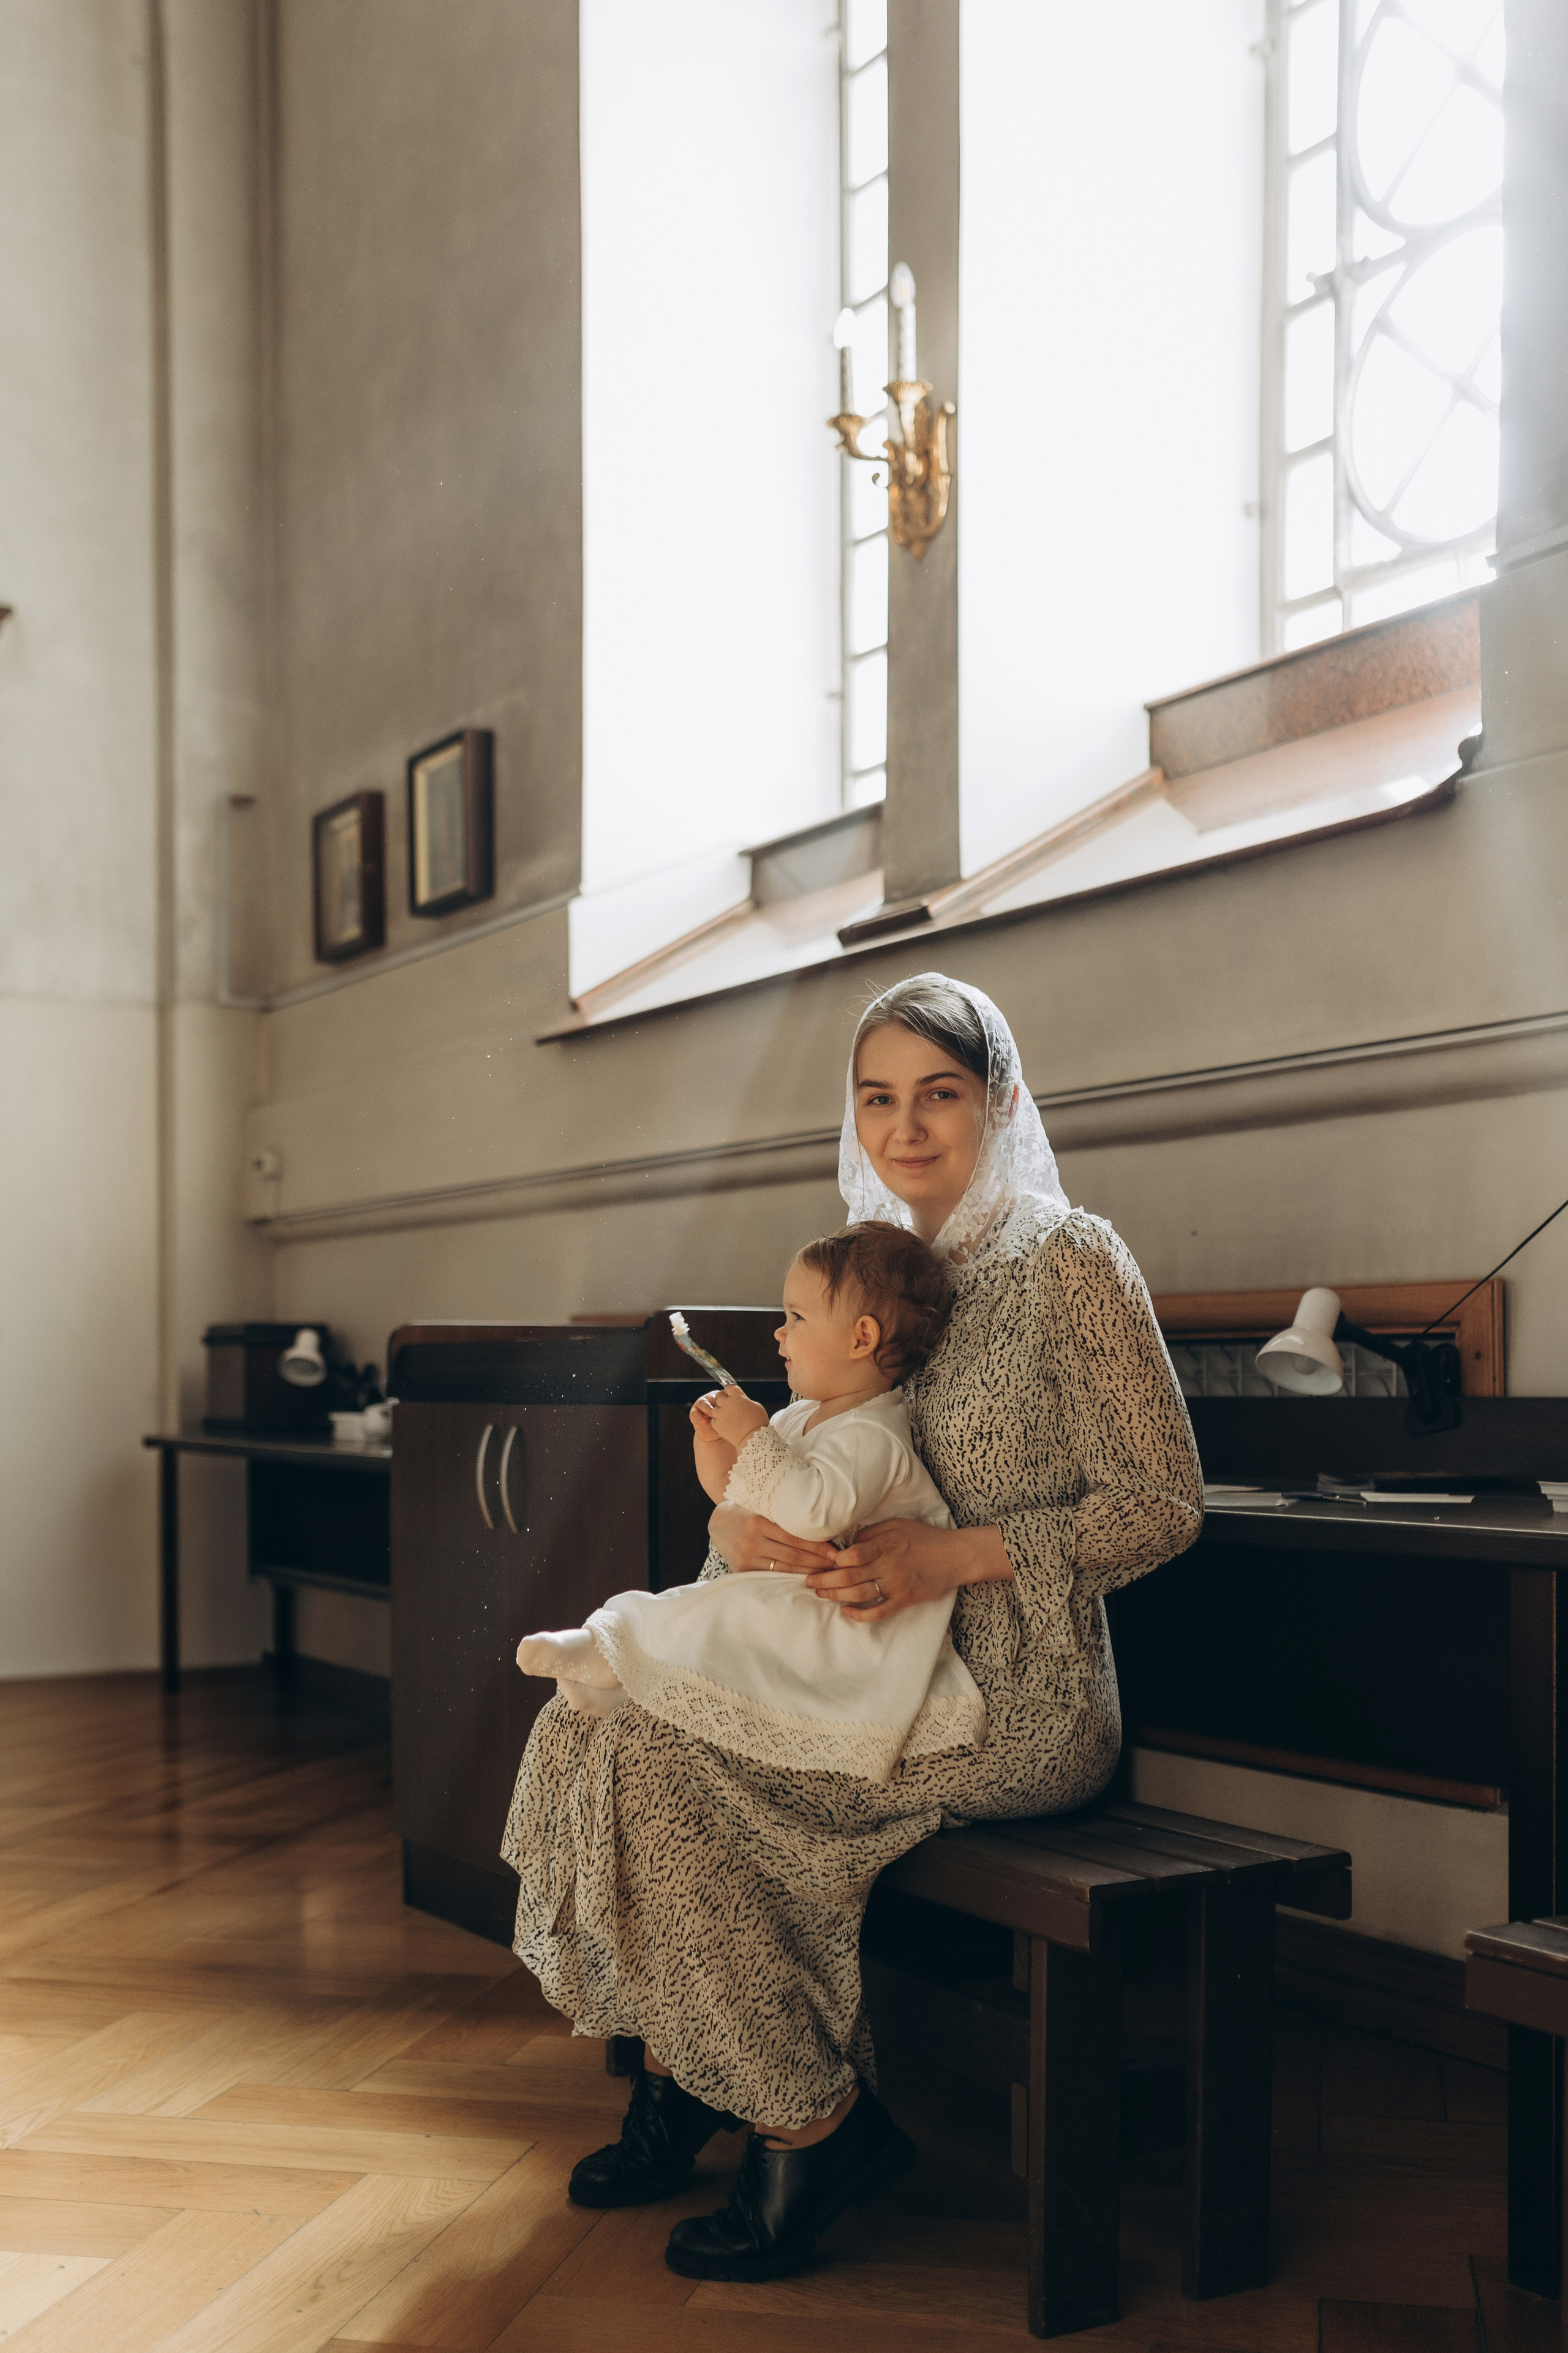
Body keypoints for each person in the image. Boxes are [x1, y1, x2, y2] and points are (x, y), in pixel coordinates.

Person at [501, 972, 1202, 2286]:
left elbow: (1161, 1506)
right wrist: (746, 1531)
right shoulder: (875, 1275)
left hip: (1012, 1698)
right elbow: (835, 1481)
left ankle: (804, 2123)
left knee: (660, 1756)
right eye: (877, 1098)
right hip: (849, 1667)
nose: (906, 1126)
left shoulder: (1070, 1261)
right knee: (602, 1716)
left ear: (997, 1100)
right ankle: (685, 2070)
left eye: (939, 1093)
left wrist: (955, 1555)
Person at [513, 1223, 986, 1784]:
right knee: (705, 1605)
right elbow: (738, 1494)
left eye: (796, 1318)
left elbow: (816, 1512)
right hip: (809, 1602)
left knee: (725, 1611)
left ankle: (610, 1650)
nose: (779, 1335)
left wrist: (755, 1437)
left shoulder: (875, 1434)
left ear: (861, 1338)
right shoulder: (800, 1415)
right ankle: (613, 1663)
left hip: (854, 1624)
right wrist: (715, 1440)